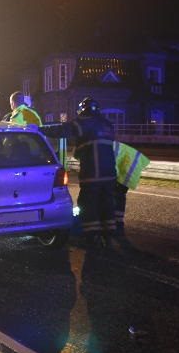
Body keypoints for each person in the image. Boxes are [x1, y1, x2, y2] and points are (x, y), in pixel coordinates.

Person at [40, 97, 116, 247]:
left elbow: (61, 130)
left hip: (92, 173)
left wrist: (39, 129)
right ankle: (108, 234)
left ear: (83, 110)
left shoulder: (83, 123)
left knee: (88, 203)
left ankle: (92, 236)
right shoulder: (107, 124)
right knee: (107, 202)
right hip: (110, 173)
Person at [113, 141, 150, 235]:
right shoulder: (105, 145)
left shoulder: (99, 150)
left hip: (128, 166)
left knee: (117, 195)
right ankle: (118, 222)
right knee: (119, 195)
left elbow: (113, 168)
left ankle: (117, 224)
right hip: (131, 163)